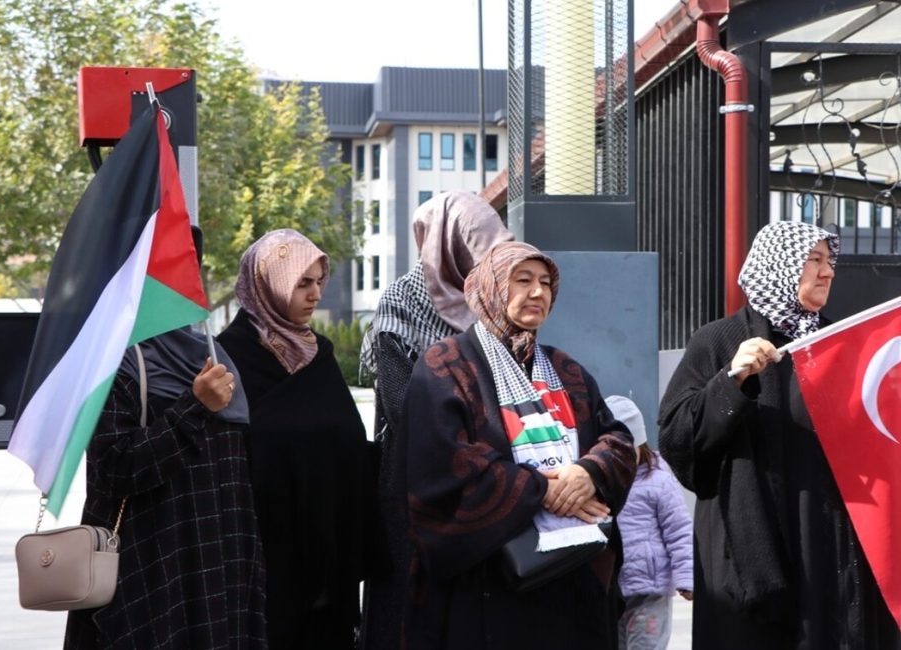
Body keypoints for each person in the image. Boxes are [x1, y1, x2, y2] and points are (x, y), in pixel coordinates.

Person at [658, 220, 901, 649]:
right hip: (754, 558)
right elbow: (680, 443)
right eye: (814, 260)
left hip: (834, 552)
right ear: (779, 265)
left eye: (830, 262)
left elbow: (889, 442)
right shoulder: (719, 341)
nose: (827, 272)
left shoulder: (842, 342)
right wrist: (730, 382)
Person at [398, 241, 638, 649]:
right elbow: (444, 465)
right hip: (486, 590)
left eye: (546, 283)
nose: (538, 292)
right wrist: (544, 490)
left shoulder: (565, 368)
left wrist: (588, 472)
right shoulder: (446, 365)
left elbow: (616, 439)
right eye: (522, 280)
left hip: (570, 582)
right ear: (490, 288)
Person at [64, 231, 267, 649]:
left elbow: (234, 479)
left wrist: (247, 569)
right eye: (171, 265)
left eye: (191, 265)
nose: (187, 279)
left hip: (218, 569)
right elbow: (116, 468)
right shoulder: (113, 362)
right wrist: (193, 407)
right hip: (152, 571)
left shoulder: (212, 352)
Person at [359, 191, 513, 650]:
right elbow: (405, 404)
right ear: (447, 246)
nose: (487, 266)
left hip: (483, 488)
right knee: (410, 617)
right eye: (476, 251)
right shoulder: (402, 303)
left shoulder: (494, 306)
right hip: (416, 488)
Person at [217, 229, 374, 649]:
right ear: (268, 284)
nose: (316, 294)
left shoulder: (317, 353)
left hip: (328, 550)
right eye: (303, 282)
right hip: (261, 554)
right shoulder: (228, 356)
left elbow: (346, 440)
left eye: (320, 281)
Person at [607, 395, 694, 650]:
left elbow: (679, 531)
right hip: (612, 592)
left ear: (640, 444)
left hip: (650, 592)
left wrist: (687, 577)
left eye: (627, 451)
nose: (620, 458)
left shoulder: (658, 480)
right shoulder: (601, 483)